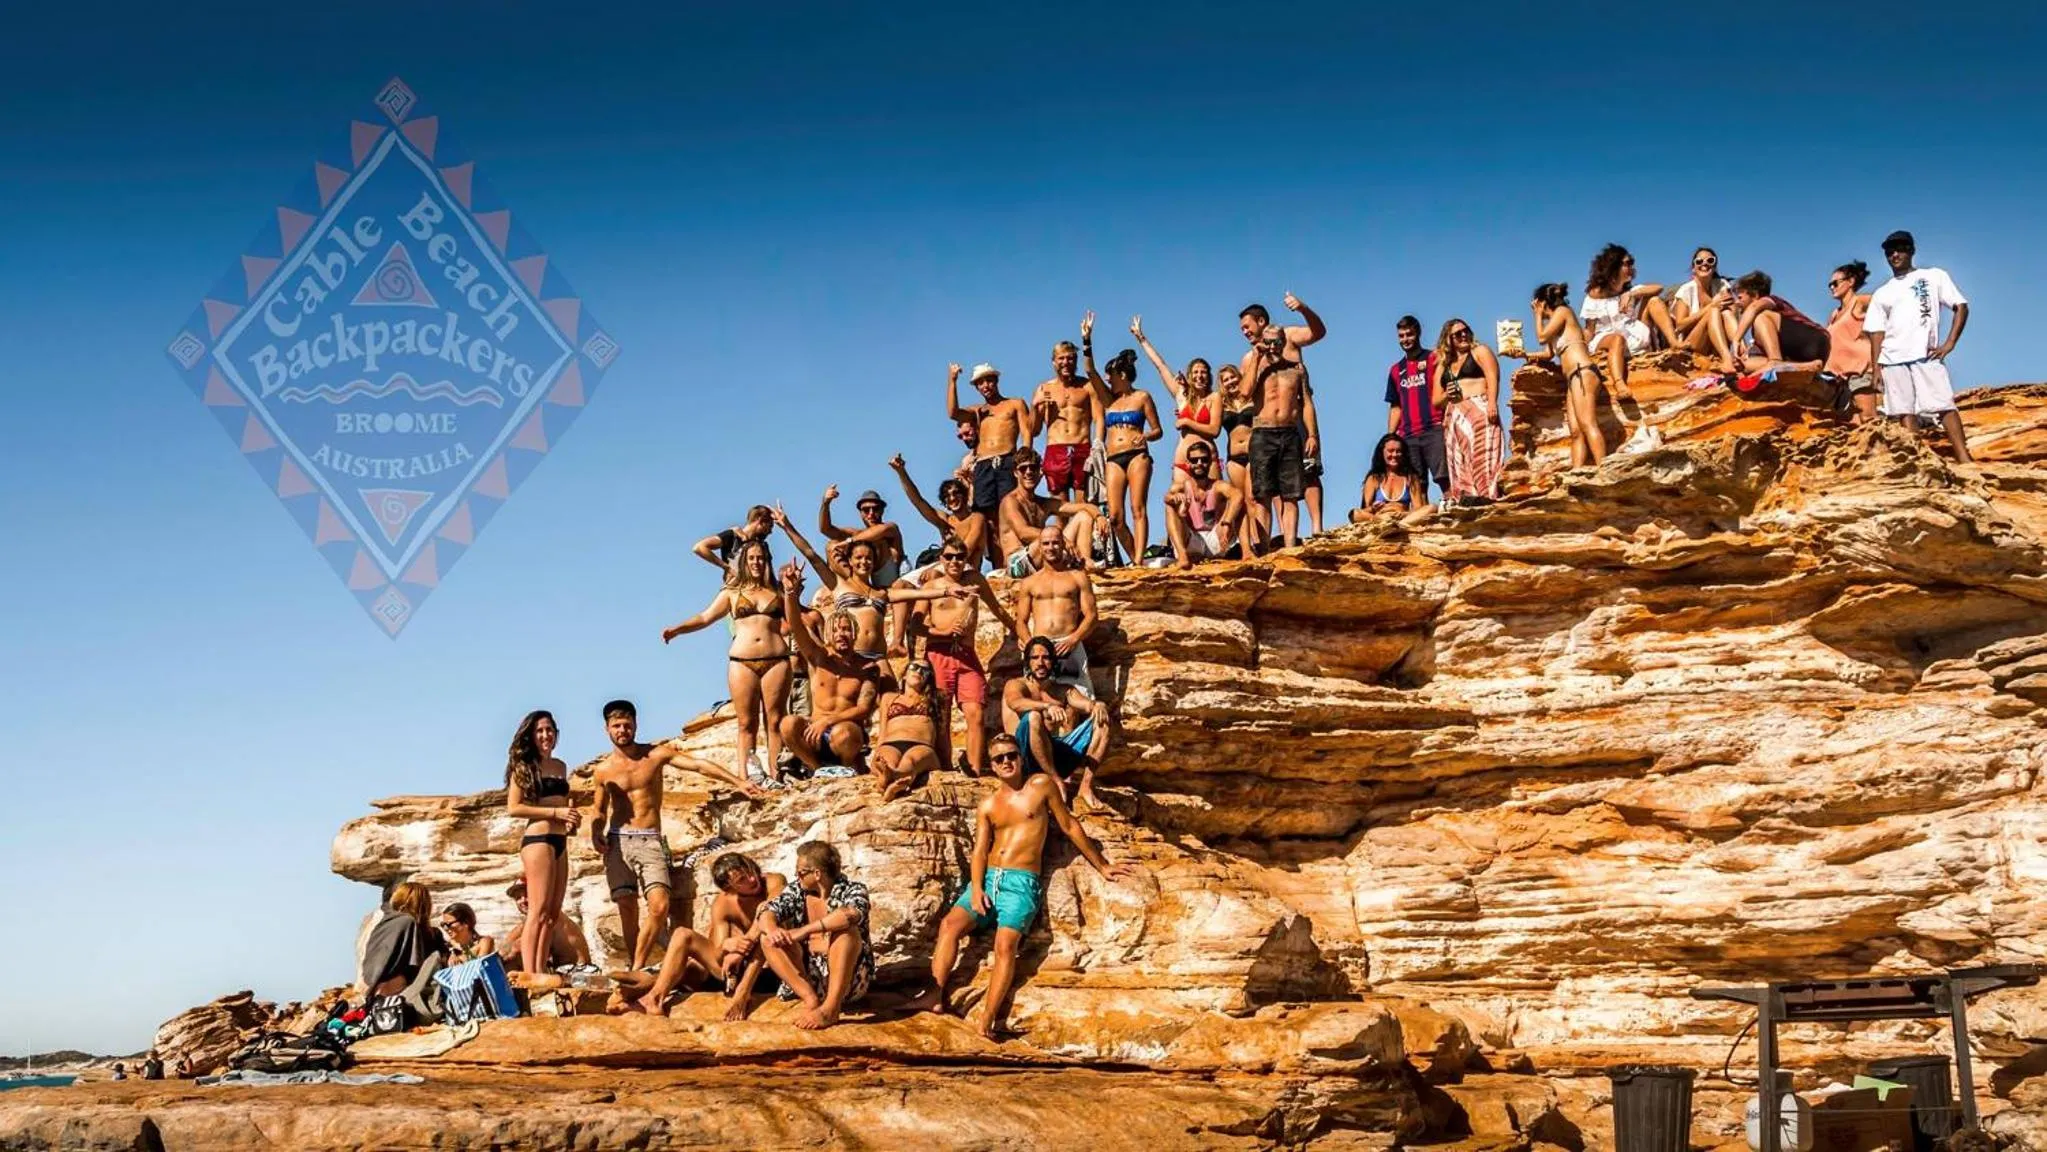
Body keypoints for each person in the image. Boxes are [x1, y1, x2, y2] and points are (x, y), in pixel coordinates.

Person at [908, 731, 1136, 1040]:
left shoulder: (1039, 786)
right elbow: (979, 850)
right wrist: (976, 889)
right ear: (991, 765)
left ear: (1020, 757)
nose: (1006, 762)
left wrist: (1103, 864)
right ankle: (934, 995)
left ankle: (987, 1018)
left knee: (1005, 947)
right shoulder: (988, 804)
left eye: (1011, 755)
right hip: (989, 879)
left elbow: (1068, 824)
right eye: (999, 758)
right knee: (950, 925)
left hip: (1021, 883)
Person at [590, 699, 756, 970]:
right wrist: (596, 832)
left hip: (649, 839)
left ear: (635, 725)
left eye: (627, 725)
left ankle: (638, 966)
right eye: (616, 726)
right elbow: (598, 809)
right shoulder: (603, 771)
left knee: (659, 906)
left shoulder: (655, 755)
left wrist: (738, 782)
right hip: (617, 842)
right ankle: (637, 968)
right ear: (607, 729)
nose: (622, 730)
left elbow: (699, 766)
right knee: (626, 908)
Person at [661, 537, 791, 784]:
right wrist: (678, 629)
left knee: (775, 720)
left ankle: (778, 775)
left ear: (767, 561)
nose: (756, 562)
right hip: (742, 661)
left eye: (761, 558)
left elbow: (797, 620)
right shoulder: (732, 592)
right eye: (751, 558)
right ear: (744, 561)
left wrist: (794, 592)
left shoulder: (778, 591)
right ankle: (746, 777)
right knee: (747, 722)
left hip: (777, 659)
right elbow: (705, 617)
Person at [776, 504, 965, 662]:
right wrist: (787, 527)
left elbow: (918, 593)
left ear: (874, 563)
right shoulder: (838, 584)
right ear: (849, 560)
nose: (863, 562)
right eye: (858, 558)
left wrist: (947, 591)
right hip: (851, 656)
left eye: (868, 559)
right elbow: (811, 555)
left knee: (891, 702)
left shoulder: (882, 593)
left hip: (878, 658)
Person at [615, 852, 787, 1018]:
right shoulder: (723, 904)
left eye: (750, 871)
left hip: (774, 966)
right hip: (732, 972)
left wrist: (745, 946)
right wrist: (727, 946)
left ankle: (645, 983)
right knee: (683, 936)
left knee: (766, 932)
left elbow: (769, 909)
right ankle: (654, 998)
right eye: (741, 880)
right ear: (729, 888)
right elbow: (718, 957)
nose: (752, 879)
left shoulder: (773, 881)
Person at [1864, 231, 1973, 461]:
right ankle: (1918, 460)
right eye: (1889, 251)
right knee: (1904, 411)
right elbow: (1876, 332)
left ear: (1912, 250)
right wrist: (1876, 369)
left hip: (1926, 355)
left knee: (1943, 404)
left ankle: (1965, 460)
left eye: (1900, 249)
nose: (1895, 254)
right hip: (1892, 359)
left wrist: (1949, 343)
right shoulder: (1882, 293)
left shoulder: (1933, 276)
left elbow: (1960, 306)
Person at [909, 536, 1014, 775]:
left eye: (959, 557)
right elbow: (915, 625)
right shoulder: (932, 587)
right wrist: (942, 632)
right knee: (942, 714)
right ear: (941, 559)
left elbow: (996, 608)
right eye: (949, 557)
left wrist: (1019, 631)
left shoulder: (975, 580)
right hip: (938, 653)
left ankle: (975, 771)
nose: (955, 562)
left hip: (966, 654)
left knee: (976, 712)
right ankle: (946, 768)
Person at [776, 562, 884, 776]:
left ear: (854, 634)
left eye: (846, 629)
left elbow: (864, 708)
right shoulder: (818, 657)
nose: (841, 634)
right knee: (788, 724)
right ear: (829, 634)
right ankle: (817, 770)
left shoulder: (867, 667)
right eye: (836, 630)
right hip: (813, 734)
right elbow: (796, 626)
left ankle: (844, 768)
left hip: (843, 733)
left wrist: (828, 721)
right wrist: (790, 592)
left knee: (848, 732)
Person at [755, 840, 875, 1031]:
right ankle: (810, 1000)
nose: (797, 877)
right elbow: (767, 911)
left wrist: (803, 931)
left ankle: (831, 1008)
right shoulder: (797, 891)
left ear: (817, 874)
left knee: (846, 933)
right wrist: (773, 930)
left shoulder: (854, 889)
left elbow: (850, 915)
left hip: (848, 983)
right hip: (807, 978)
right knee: (767, 938)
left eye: (801, 872)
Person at [1239, 300, 1322, 551]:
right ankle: (1264, 549)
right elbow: (1244, 393)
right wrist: (1257, 357)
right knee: (1262, 494)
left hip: (1289, 432)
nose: (1273, 346)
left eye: (1277, 341)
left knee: (1291, 494)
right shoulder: (1251, 359)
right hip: (1263, 432)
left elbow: (1306, 403)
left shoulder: (1296, 368)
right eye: (1269, 342)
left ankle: (1289, 547)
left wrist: (1312, 435)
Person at [503, 710, 578, 981]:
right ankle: (529, 972)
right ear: (531, 736)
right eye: (540, 731)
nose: (545, 735)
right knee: (537, 909)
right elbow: (514, 807)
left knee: (552, 912)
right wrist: (555, 814)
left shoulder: (560, 766)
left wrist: (569, 820)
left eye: (549, 730)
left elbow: (563, 803)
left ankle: (540, 970)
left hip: (560, 840)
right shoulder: (524, 767)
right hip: (537, 839)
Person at [1003, 637, 1114, 810]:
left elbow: (1085, 704)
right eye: (1035, 658)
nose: (1041, 663)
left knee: (1102, 720)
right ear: (1028, 662)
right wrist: (1046, 706)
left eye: (1046, 658)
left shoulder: (1062, 690)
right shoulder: (1016, 684)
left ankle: (1085, 787)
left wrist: (1098, 705)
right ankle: (1056, 780)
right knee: (1034, 716)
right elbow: (1015, 702)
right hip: (1024, 757)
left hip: (1054, 756)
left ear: (1053, 662)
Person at [1507, 283, 1610, 468]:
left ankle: (1604, 470)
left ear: (1544, 303)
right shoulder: (1557, 323)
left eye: (1538, 305)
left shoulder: (1563, 311)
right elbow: (1548, 353)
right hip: (1573, 378)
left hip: (1583, 371)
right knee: (1576, 431)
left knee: (1588, 423)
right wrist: (1523, 354)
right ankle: (1577, 473)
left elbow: (1541, 337)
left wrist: (1537, 315)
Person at [1012, 521, 1099, 695]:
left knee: (1081, 696)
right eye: (1045, 543)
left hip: (1069, 645)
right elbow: (1020, 621)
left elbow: (1092, 616)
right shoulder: (1029, 582)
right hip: (1040, 648)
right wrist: (1030, 644)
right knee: (1039, 699)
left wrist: (1074, 639)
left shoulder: (1077, 577)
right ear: (1040, 547)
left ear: (1063, 545)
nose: (1050, 547)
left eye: (1055, 543)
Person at [1097, 347, 1163, 565]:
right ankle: (1136, 555)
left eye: (1111, 376)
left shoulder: (1142, 397)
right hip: (1114, 457)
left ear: (1122, 376)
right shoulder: (1109, 401)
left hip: (1137, 455)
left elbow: (1157, 430)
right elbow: (1090, 372)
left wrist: (1146, 436)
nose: (1108, 380)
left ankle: (1136, 561)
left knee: (1138, 507)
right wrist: (1086, 341)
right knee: (1115, 517)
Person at [1131, 315, 1223, 471]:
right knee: (1177, 495)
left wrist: (1186, 422)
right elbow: (1160, 365)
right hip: (1183, 457)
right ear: (1189, 376)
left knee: (1212, 495)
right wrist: (1142, 339)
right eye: (1195, 372)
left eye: (1203, 372)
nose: (1199, 375)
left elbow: (1214, 430)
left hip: (1208, 458)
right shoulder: (1181, 394)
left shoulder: (1214, 397)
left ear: (1209, 376)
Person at [947, 362, 1036, 522]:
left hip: (1007, 460)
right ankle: (993, 547)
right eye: (980, 383)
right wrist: (953, 380)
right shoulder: (978, 411)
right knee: (984, 514)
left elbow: (1027, 433)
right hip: (983, 464)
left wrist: (1024, 463)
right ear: (976, 387)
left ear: (996, 381)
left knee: (1011, 509)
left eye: (988, 380)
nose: (985, 385)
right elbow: (953, 413)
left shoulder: (1015, 404)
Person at [1430, 319, 1506, 506]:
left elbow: (1492, 377)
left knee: (1484, 454)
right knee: (1459, 461)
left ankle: (1488, 496)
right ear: (1448, 339)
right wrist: (1448, 394)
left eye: (1466, 331)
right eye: (1457, 334)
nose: (1463, 335)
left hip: (1479, 409)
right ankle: (1467, 498)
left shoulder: (1480, 351)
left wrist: (1492, 403)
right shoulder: (1443, 365)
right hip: (1455, 417)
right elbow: (1436, 400)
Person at [995, 449, 1103, 577]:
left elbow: (1083, 508)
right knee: (1050, 540)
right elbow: (1023, 532)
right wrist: (1062, 539)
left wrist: (1099, 516)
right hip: (1017, 564)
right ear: (1015, 473)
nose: (1028, 472)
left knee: (1083, 516)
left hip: (1043, 556)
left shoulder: (1043, 503)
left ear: (1039, 472)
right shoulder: (1010, 501)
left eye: (1033, 468)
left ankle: (1084, 563)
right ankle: (1078, 563)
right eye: (1023, 469)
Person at [1032, 315, 1103, 503]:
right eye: (1061, 358)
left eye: (1070, 358)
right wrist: (1035, 405)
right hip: (1055, 448)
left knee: (1083, 506)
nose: (1066, 362)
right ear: (1054, 362)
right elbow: (1034, 429)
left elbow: (1099, 418)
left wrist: (1098, 446)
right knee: (1060, 509)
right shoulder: (1044, 388)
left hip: (1083, 447)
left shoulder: (1087, 386)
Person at [355, 880, 447, 1023]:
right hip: (395, 993)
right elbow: (415, 966)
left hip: (374, 994)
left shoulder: (384, 922)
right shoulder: (406, 922)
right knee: (435, 959)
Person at [888, 453, 991, 569]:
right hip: (943, 569)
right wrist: (901, 472)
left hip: (966, 571)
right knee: (902, 584)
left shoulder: (976, 518)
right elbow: (918, 501)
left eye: (956, 493)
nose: (952, 498)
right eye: (947, 496)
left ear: (965, 495)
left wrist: (935, 569)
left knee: (933, 574)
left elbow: (965, 552)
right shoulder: (946, 521)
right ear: (945, 502)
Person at [1384, 315, 1446, 501]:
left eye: (1409, 334)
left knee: (1444, 477)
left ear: (1418, 333)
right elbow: (1395, 406)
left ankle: (1452, 511)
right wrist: (1391, 437)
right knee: (1417, 484)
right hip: (1408, 435)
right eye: (1401, 336)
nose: (1405, 340)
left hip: (1434, 427)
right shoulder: (1396, 370)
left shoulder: (1434, 358)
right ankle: (1424, 522)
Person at [1725, 271, 1831, 372]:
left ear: (1755, 295)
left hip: (1815, 340)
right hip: (1805, 356)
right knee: (1745, 364)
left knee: (1760, 316)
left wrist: (1736, 340)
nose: (1737, 302)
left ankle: (1775, 362)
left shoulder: (1768, 301)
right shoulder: (1764, 333)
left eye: (1740, 298)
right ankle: (1803, 366)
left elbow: (1754, 307)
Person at [871, 659, 946, 800]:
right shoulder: (889, 698)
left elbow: (943, 735)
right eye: (915, 667)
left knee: (910, 761)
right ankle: (893, 783)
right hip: (891, 743)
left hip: (922, 746)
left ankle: (889, 779)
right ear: (904, 674)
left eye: (925, 670)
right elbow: (883, 730)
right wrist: (877, 754)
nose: (919, 671)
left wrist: (946, 763)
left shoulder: (936, 699)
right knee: (886, 760)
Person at [1163, 440, 1244, 567]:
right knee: (1170, 507)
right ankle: (1183, 557)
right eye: (1195, 461)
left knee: (1239, 503)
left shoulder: (1218, 486)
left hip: (1216, 538)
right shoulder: (1181, 486)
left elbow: (1238, 495)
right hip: (1192, 540)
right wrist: (1176, 500)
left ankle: (1247, 552)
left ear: (1210, 462)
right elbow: (1167, 497)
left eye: (1203, 460)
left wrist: (1227, 522)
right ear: (1188, 464)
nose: (1199, 464)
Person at [817, 485, 906, 588]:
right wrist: (825, 503)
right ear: (860, 513)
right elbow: (826, 529)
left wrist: (849, 542)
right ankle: (853, 587)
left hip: (895, 584)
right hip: (870, 588)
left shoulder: (891, 528)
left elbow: (880, 531)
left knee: (878, 542)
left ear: (882, 511)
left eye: (875, 509)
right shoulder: (857, 533)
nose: (871, 513)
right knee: (832, 544)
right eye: (866, 510)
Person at [1825, 261, 1879, 423]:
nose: (1832, 287)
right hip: (1840, 377)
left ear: (1851, 282)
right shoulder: (1834, 314)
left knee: (1868, 418)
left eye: (1835, 283)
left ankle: (1882, 448)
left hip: (1860, 370)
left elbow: (1887, 302)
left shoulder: (1860, 301)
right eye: (1830, 285)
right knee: (1853, 424)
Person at [501, 879, 592, 972]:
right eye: (518, 898)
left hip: (580, 972)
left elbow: (519, 948)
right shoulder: (533, 920)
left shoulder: (548, 916)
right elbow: (507, 943)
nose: (523, 900)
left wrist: (504, 957)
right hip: (565, 970)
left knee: (515, 962)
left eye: (528, 895)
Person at [1216, 363, 1260, 551]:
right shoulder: (1222, 404)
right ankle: (1246, 548)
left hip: (1253, 453)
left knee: (1253, 499)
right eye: (1225, 380)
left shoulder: (1252, 398)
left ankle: (1259, 542)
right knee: (1239, 502)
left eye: (1233, 377)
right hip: (1234, 458)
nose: (1230, 382)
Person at [1669, 247, 1736, 359]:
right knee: (1713, 311)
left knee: (1726, 313)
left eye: (1710, 260)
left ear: (1715, 266)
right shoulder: (1686, 290)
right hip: (1693, 345)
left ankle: (1742, 351)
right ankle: (1727, 357)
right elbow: (1680, 325)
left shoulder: (1722, 285)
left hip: (1717, 344)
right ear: (1694, 267)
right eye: (1699, 261)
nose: (1704, 264)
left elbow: (1733, 313)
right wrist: (1710, 307)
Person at [1350, 433, 1434, 520]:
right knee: (1355, 513)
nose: (1394, 455)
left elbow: (1418, 507)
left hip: (1403, 518)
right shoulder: (1374, 478)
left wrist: (1405, 514)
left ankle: (1401, 525)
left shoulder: (1411, 477)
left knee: (1432, 507)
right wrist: (1373, 508)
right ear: (1382, 452)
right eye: (1390, 451)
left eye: (1398, 451)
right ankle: (1386, 523)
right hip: (1380, 518)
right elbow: (1364, 509)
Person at [691, 505, 773, 571]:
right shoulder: (732, 535)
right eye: (770, 526)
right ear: (760, 520)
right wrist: (726, 567)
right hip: (735, 587)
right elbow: (699, 547)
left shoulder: (761, 546)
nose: (770, 531)